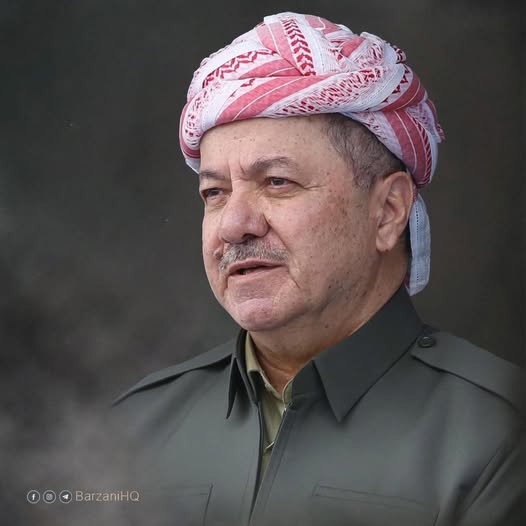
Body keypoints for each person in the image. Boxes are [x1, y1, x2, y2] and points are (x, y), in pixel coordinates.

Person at [113, 12, 525, 526]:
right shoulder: (134, 427)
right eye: (214, 192)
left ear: (388, 211)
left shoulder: (497, 435)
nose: (234, 226)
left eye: (278, 183)